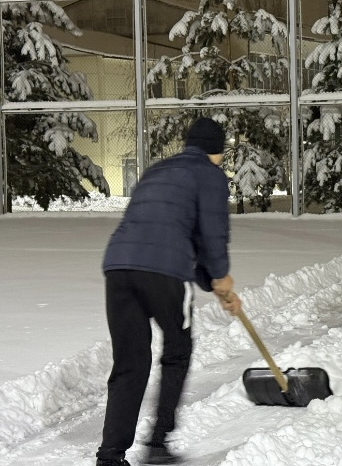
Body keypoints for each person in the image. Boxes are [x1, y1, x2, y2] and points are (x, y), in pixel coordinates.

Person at [96, 117, 242, 466]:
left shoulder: (158, 170)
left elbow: (168, 229)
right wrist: (221, 279)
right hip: (165, 273)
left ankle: (110, 456)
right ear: (216, 151)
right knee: (177, 350)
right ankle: (159, 441)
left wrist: (212, 282)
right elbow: (211, 235)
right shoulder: (210, 175)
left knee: (130, 362)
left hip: (118, 267)